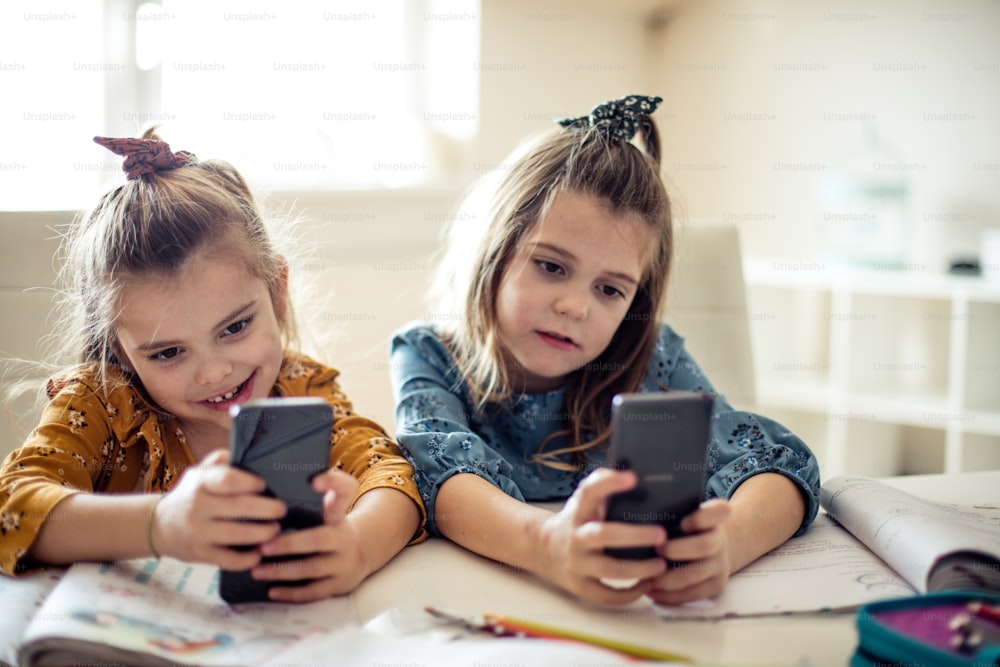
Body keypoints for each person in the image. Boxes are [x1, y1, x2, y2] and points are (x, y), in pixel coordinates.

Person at [389, 94, 820, 607]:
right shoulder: (430, 355)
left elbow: (781, 467)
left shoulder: (647, 356)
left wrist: (729, 543)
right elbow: (443, 480)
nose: (575, 307)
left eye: (610, 290)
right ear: (494, 252)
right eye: (551, 266)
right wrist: (547, 545)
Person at [0, 129, 425, 601]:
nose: (214, 373)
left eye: (234, 328)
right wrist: (160, 524)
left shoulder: (299, 388)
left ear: (277, 293)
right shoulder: (100, 404)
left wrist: (358, 546)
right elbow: (10, 507)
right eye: (167, 353)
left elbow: (390, 474)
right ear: (120, 350)